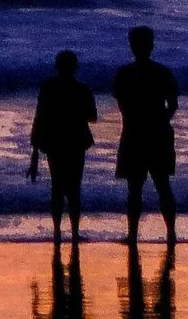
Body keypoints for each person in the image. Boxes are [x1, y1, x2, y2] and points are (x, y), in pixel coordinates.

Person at [111, 20, 179, 243]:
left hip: (134, 134)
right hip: (159, 134)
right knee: (162, 185)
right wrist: (161, 120)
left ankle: (132, 235)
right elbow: (173, 105)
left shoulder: (124, 73)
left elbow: (121, 104)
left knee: (135, 188)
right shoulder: (163, 72)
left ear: (132, 46)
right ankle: (170, 233)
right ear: (151, 46)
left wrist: (135, 120)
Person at [28, 48, 97, 238]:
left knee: (57, 187)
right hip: (75, 141)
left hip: (54, 141)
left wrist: (34, 153)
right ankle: (75, 232)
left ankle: (57, 230)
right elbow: (93, 117)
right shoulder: (82, 89)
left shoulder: (48, 87)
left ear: (57, 66)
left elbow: (39, 117)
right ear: (75, 68)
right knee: (74, 188)